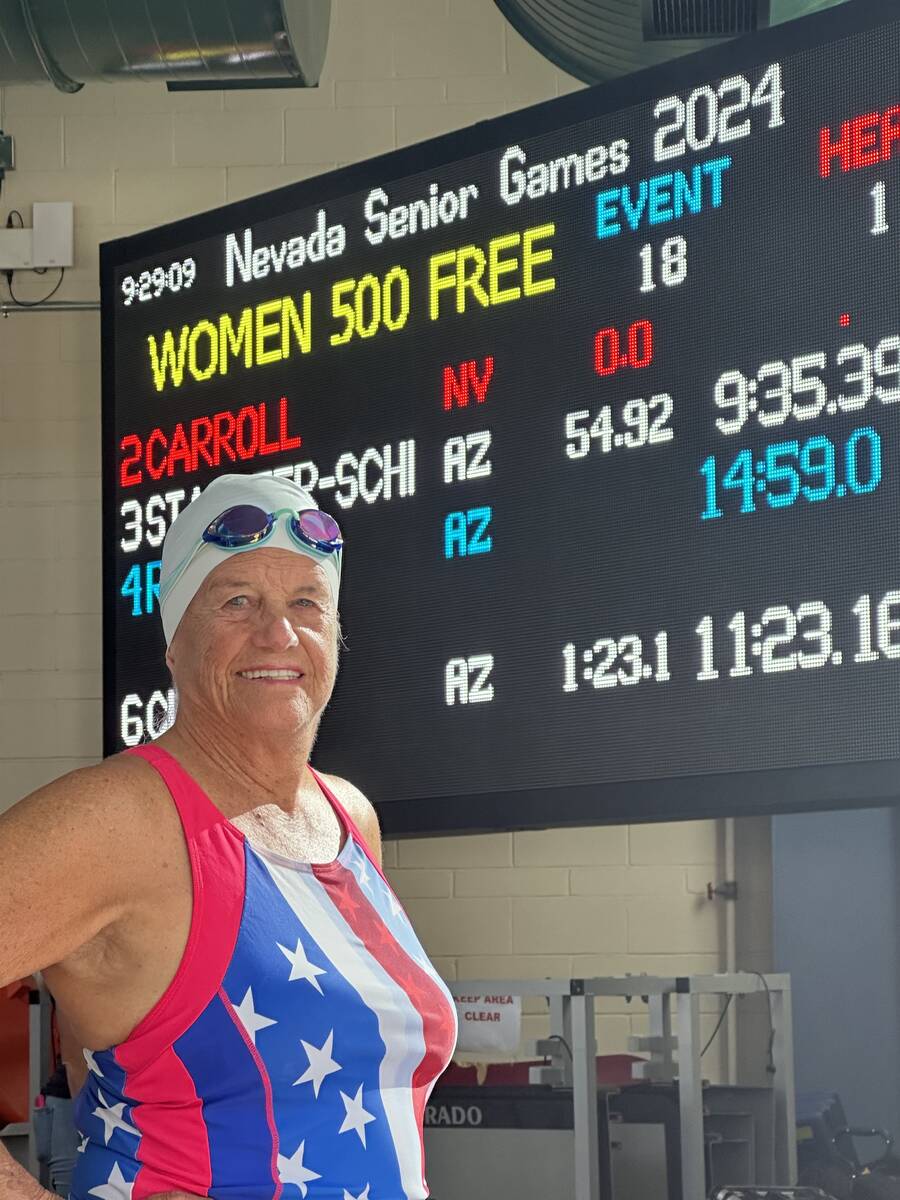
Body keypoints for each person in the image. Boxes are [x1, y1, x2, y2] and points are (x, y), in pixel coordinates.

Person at [0, 472, 459, 1200]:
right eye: (236, 600)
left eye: (307, 602)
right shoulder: (119, 819)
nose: (278, 632)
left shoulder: (349, 818)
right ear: (174, 641)